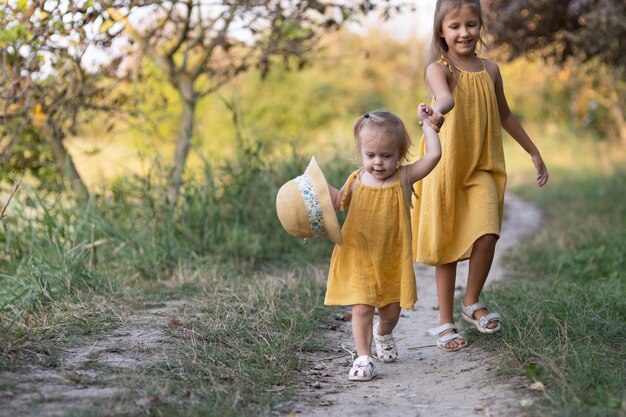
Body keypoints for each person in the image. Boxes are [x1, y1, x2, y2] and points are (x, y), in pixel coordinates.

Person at [411, 0, 549, 352]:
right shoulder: (438, 68)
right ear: (441, 31)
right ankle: (444, 321)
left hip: (483, 166)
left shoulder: (491, 70)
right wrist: (435, 115)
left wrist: (533, 151)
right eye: (455, 26)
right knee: (447, 245)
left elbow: (506, 115)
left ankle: (471, 301)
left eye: (471, 24)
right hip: (445, 167)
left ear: (480, 27)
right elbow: (445, 98)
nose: (464, 32)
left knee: (487, 231)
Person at [325, 106, 442, 381]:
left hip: (391, 257)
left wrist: (427, 125)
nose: (378, 162)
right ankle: (363, 358)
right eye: (370, 155)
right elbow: (336, 203)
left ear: (400, 156)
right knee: (362, 307)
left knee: (390, 312)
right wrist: (317, 195)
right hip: (359, 253)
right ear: (361, 152)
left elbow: (434, 155)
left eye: (386, 156)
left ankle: (384, 333)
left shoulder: (403, 177)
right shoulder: (356, 180)